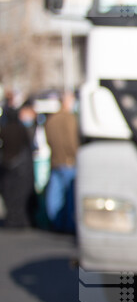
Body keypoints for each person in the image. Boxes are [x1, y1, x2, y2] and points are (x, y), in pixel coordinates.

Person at [44, 91, 79, 234]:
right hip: (68, 161)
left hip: (55, 159)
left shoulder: (51, 119)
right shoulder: (69, 118)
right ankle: (68, 224)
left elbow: (49, 140)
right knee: (70, 195)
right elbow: (72, 141)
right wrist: (75, 154)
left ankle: (55, 222)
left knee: (55, 194)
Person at [1, 101, 37, 229]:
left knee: (10, 194)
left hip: (7, 166)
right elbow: (29, 146)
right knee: (19, 195)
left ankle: (13, 219)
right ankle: (19, 219)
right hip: (20, 167)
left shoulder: (4, 130)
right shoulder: (22, 130)